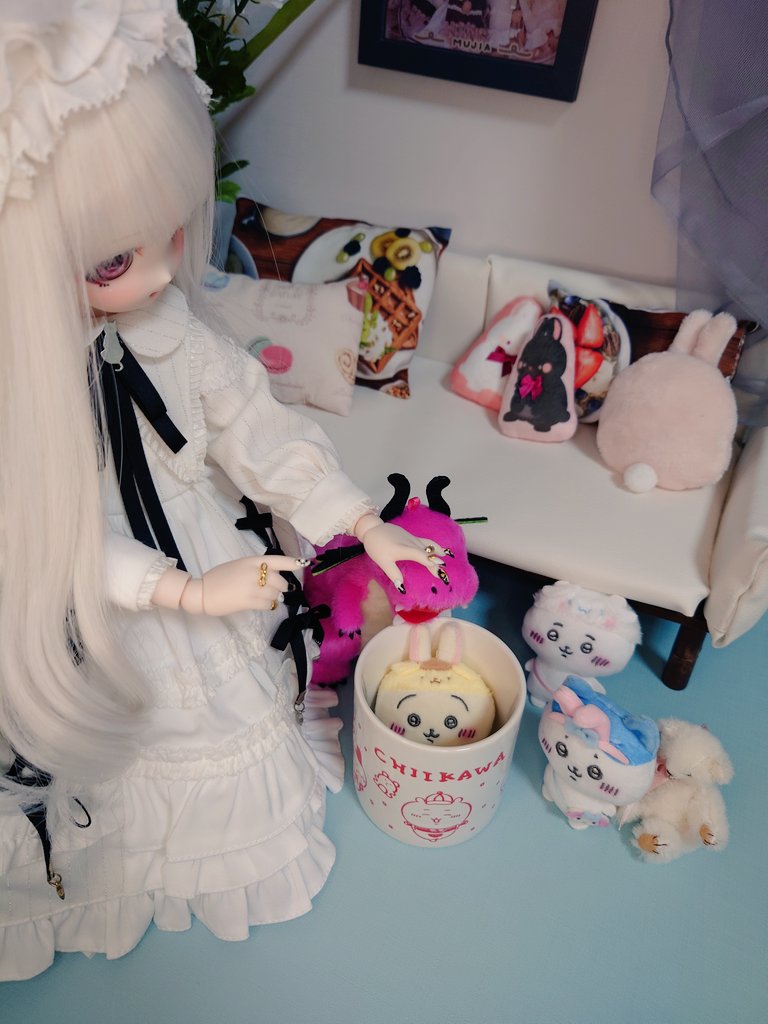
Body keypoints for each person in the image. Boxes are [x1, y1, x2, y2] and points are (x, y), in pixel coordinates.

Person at [0, 0, 449, 980]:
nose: (165, 271)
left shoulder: (169, 329)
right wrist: (181, 591)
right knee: (129, 739)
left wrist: (361, 521)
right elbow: (42, 538)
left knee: (232, 708)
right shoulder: (20, 389)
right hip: (95, 589)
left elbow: (257, 425)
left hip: (195, 538)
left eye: (173, 229)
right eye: (116, 258)